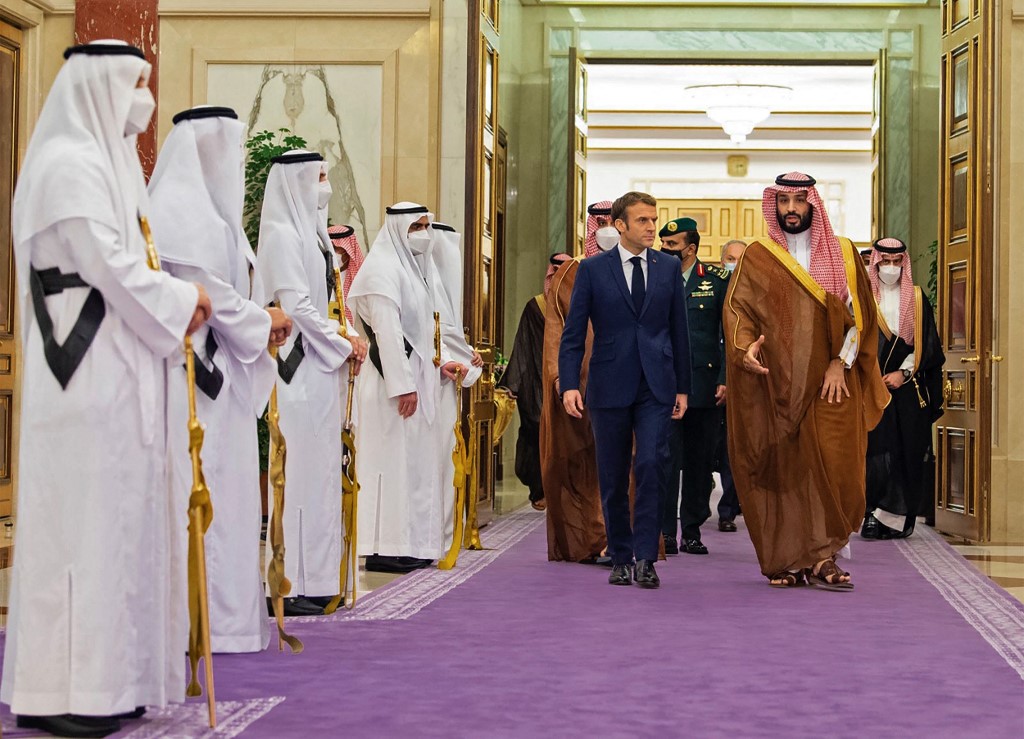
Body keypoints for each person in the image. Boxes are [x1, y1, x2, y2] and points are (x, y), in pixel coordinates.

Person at [1, 41, 213, 738]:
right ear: (98, 87)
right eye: (136, 84)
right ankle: (59, 687)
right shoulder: (66, 166)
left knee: (116, 531)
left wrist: (179, 303)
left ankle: (107, 682)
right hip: (82, 379)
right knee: (79, 533)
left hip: (120, 378)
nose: (145, 100)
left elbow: (129, 263)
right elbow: (111, 267)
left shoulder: (112, 165)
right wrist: (183, 301)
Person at [149, 105, 293, 651]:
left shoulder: (217, 218)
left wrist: (264, 325)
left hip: (225, 378)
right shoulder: (177, 209)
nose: (235, 159)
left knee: (231, 504)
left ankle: (229, 621)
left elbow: (233, 296)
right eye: (228, 147)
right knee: (203, 500)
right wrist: (266, 321)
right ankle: (200, 623)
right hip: (192, 383)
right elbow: (213, 298)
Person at [723, 172, 888, 591]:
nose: (791, 209)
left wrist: (838, 362)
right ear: (773, 206)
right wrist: (746, 351)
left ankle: (825, 553)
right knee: (785, 471)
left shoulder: (845, 254)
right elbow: (738, 311)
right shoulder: (758, 256)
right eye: (783, 202)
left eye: (799, 200)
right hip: (775, 386)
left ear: (813, 203)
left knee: (836, 469)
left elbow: (859, 320)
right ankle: (792, 557)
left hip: (832, 384)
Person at [560, 191, 690, 588]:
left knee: (651, 465)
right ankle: (619, 555)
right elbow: (573, 334)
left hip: (657, 385)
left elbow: (679, 330)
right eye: (643, 221)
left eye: (654, 219)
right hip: (609, 383)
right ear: (620, 225)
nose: (652, 227)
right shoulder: (593, 270)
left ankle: (646, 557)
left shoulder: (667, 267)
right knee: (613, 474)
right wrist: (569, 385)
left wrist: (683, 387)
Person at [255, 151, 365, 616]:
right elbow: (297, 306)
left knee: (321, 476)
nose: (325, 184)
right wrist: (344, 342)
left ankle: (319, 579)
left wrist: (347, 339)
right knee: (295, 479)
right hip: (296, 371)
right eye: (317, 177)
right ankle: (287, 581)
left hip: (323, 371)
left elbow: (329, 302)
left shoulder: (316, 234)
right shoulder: (281, 233)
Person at [349, 203, 466, 572]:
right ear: (398, 228)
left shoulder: (415, 272)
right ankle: (385, 548)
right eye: (415, 226)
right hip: (390, 387)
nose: (423, 233)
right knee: (390, 466)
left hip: (414, 382)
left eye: (426, 226)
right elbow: (386, 335)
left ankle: (410, 543)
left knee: (412, 467)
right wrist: (403, 387)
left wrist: (441, 363)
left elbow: (423, 334)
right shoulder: (382, 271)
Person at [540, 201, 615, 562]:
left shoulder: (644, 268)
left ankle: (621, 539)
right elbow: (557, 331)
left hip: (628, 384)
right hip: (581, 387)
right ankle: (592, 538)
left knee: (625, 463)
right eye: (600, 223)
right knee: (584, 464)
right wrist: (560, 378)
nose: (607, 230)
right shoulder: (571, 274)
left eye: (612, 222)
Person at [862, 237, 944, 539]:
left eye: (898, 263)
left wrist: (904, 372)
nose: (892, 268)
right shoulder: (863, 297)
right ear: (876, 262)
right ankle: (871, 513)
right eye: (886, 262)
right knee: (875, 452)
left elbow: (928, 345)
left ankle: (895, 518)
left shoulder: (919, 299)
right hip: (870, 387)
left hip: (907, 388)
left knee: (907, 449)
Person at [658, 218, 730, 555]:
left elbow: (731, 334)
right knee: (666, 461)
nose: (665, 250)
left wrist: (725, 378)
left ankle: (691, 530)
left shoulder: (716, 281)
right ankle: (665, 530)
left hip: (704, 386)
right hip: (664, 387)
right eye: (664, 244)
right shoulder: (655, 278)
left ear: (691, 249)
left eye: (673, 245)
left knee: (700, 464)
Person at [500, 252, 571, 510]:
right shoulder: (536, 306)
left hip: (572, 381)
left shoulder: (579, 303)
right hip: (538, 383)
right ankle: (540, 489)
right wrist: (513, 384)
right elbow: (523, 345)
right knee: (537, 433)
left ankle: (566, 490)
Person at [430, 221, 483, 547]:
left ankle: (444, 534)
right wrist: (464, 356)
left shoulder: (435, 281)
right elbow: (437, 332)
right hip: (422, 385)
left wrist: (466, 354)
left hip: (442, 384)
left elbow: (447, 331)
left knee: (445, 462)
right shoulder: (425, 279)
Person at [715, 239, 747, 531]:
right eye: (730, 258)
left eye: (740, 258)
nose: (734, 263)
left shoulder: (754, 292)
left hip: (747, 384)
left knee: (736, 450)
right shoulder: (712, 288)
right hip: (714, 382)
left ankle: (730, 508)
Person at [327, 223, 365, 326]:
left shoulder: (361, 280)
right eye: (330, 247)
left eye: (336, 248)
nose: (332, 252)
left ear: (349, 249)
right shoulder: (322, 277)